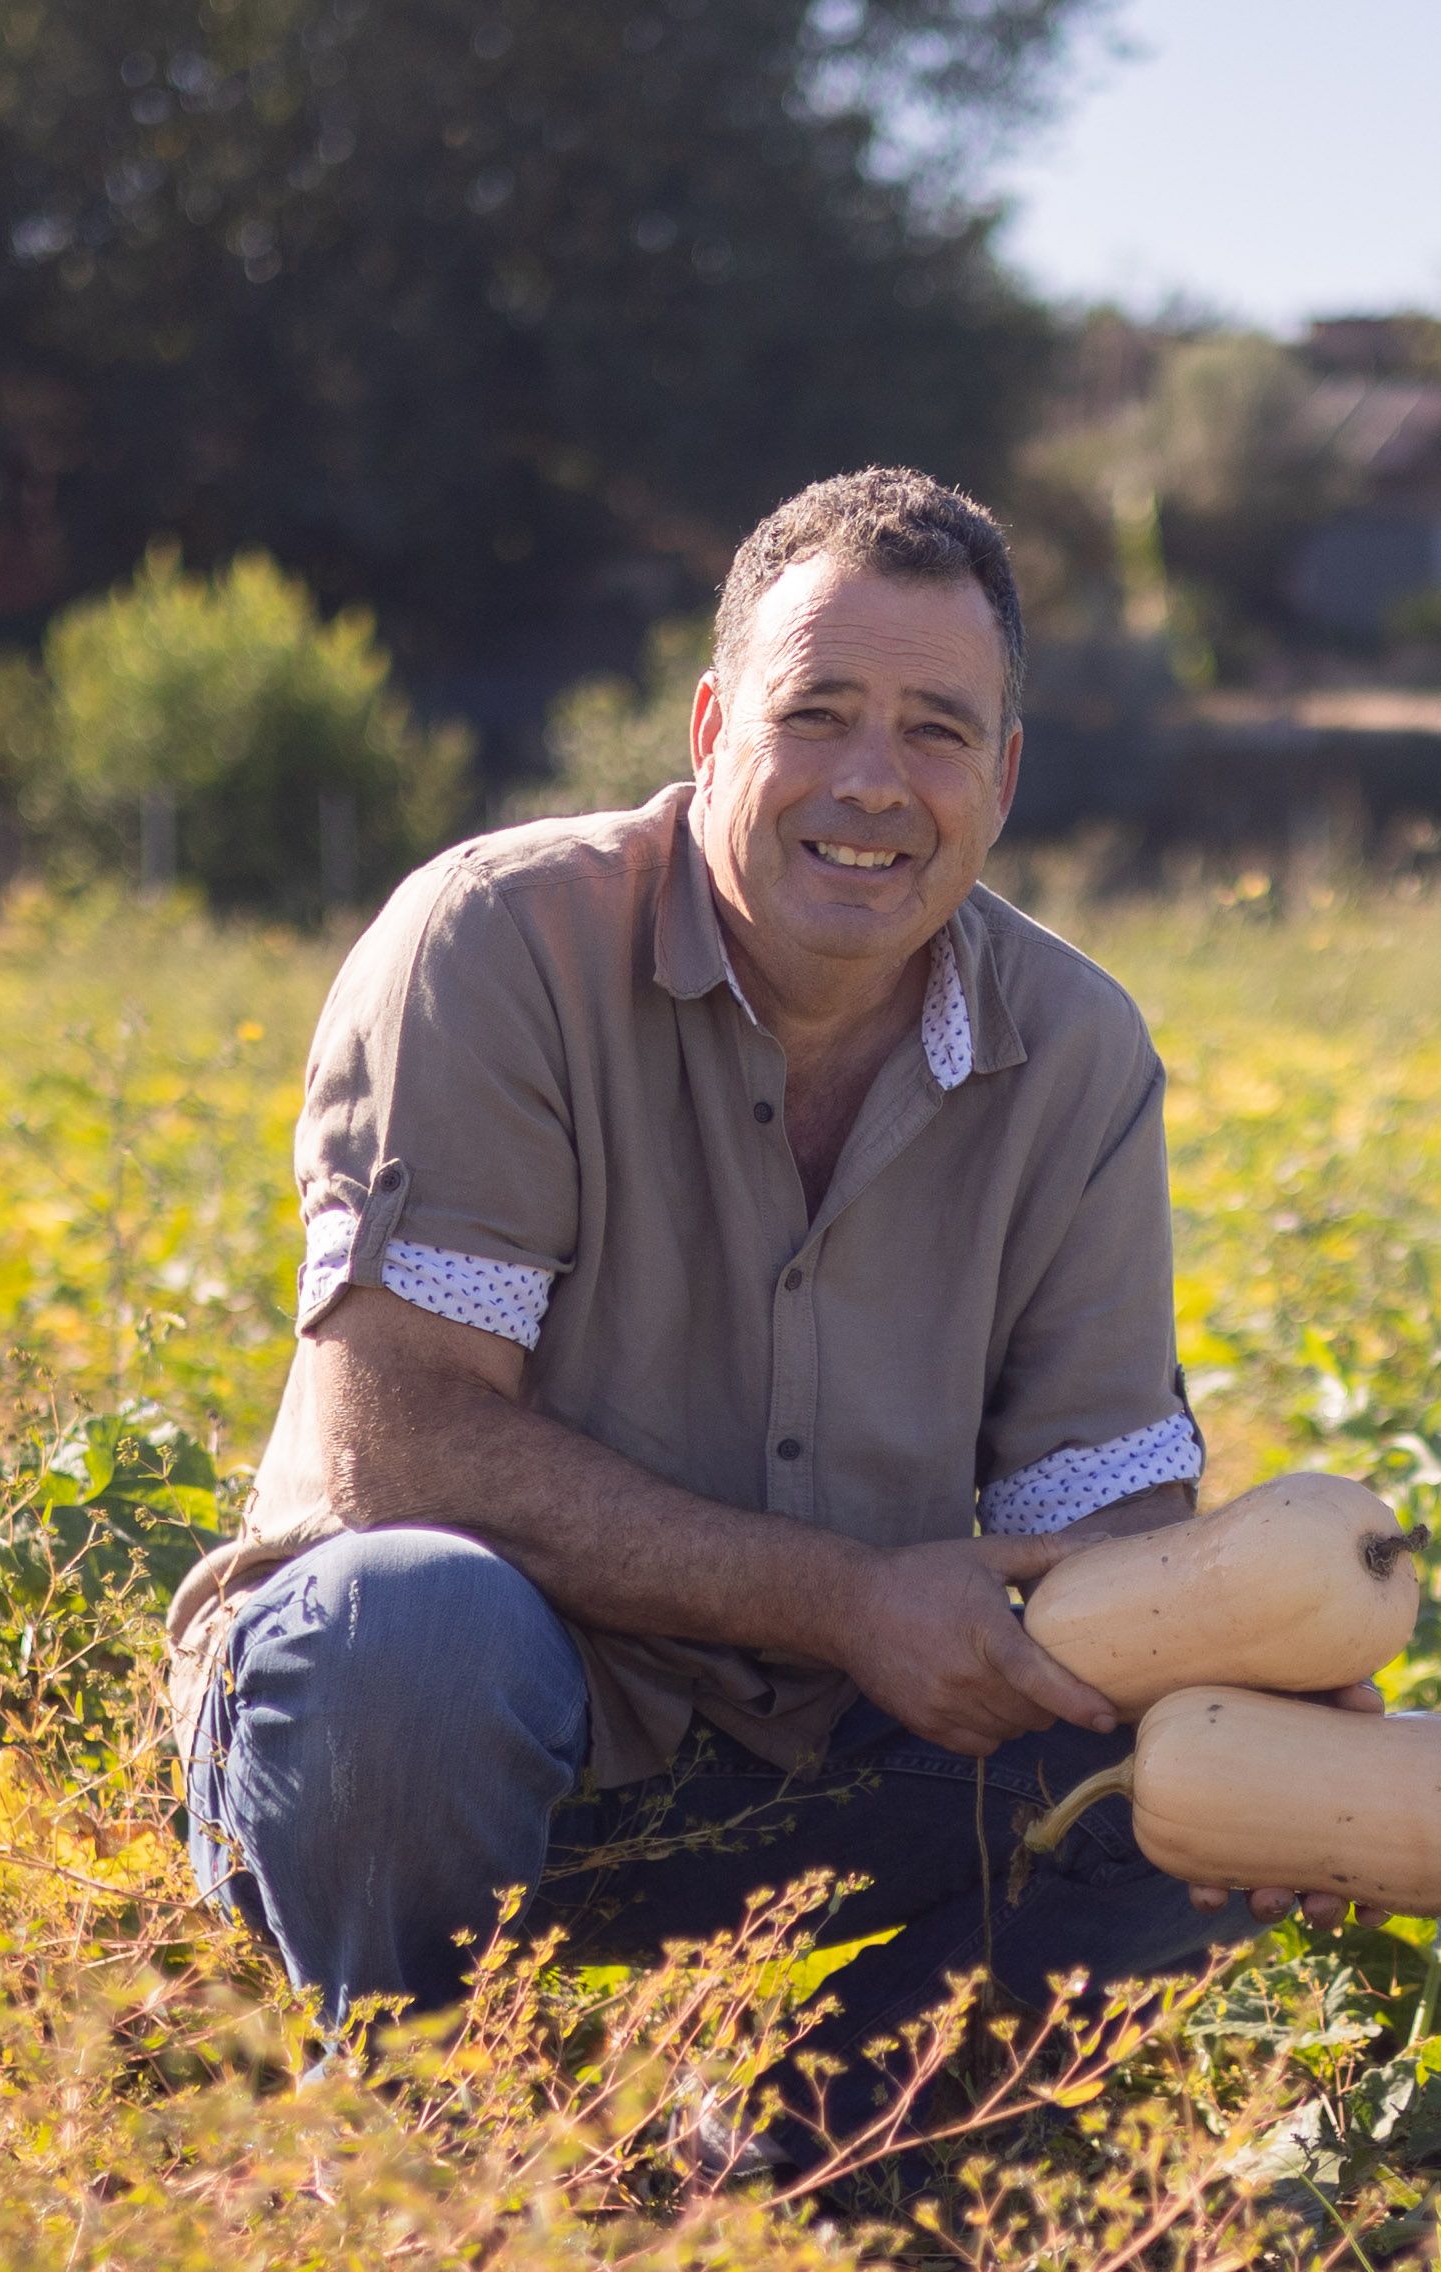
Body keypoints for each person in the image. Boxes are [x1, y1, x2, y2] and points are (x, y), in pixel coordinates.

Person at [166, 468, 1366, 2145]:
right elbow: (398, 1448)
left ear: (1004, 778)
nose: (874, 783)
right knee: (412, 1630)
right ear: (716, 724)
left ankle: (772, 2168)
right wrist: (855, 1602)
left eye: (940, 730)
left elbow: (1107, 1530)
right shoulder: (496, 946)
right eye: (822, 712)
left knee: (1204, 1802)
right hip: (431, 1750)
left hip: (811, 1783)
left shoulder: (1075, 1054)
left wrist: (1247, 1676)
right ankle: (409, 2141)